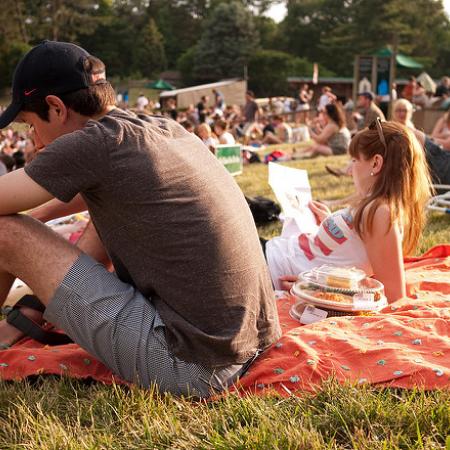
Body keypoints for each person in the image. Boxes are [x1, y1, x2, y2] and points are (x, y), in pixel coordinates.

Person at [0, 41, 280, 397]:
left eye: (30, 125)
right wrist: (36, 222)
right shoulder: (157, 129)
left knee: (4, 232)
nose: (33, 138)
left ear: (55, 108)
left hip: (191, 366)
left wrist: (26, 229)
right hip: (248, 342)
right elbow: (95, 200)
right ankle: (27, 317)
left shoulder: (91, 144)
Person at [264, 120, 432, 302]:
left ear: (376, 163)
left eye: (354, 160)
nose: (351, 170)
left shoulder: (381, 212)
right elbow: (352, 248)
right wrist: (329, 222)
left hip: (269, 267)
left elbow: (393, 296)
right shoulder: (376, 207)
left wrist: (313, 288)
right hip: (272, 256)